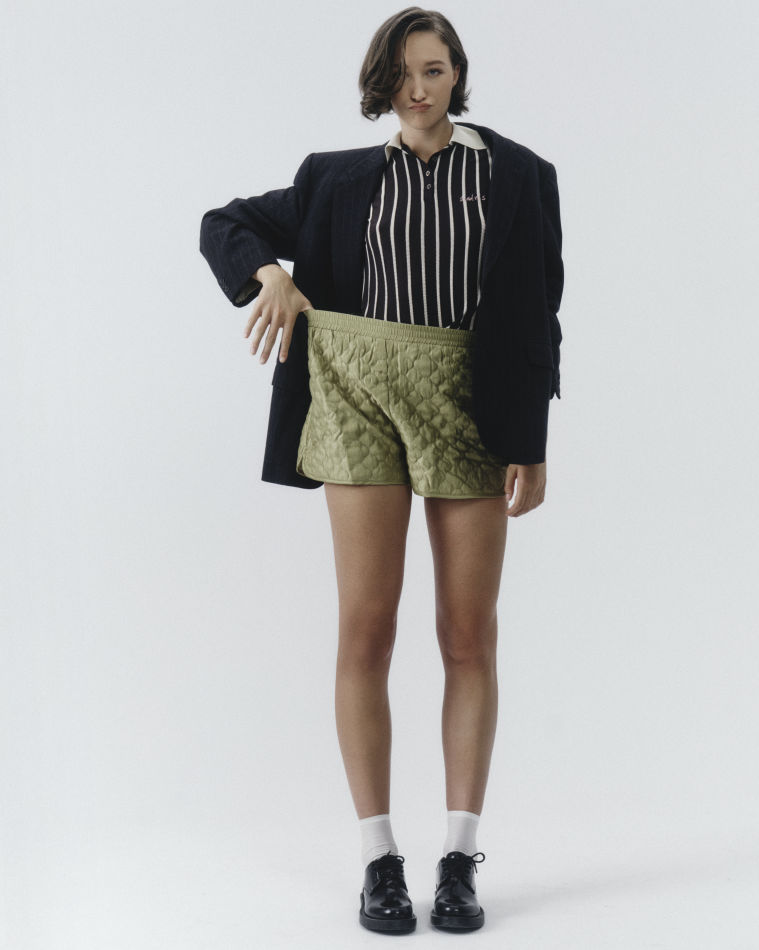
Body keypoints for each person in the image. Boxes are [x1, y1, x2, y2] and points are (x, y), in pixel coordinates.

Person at [199, 5, 564, 935]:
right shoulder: (334, 178)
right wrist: (269, 276)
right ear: (380, 82)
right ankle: (378, 861)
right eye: (402, 73)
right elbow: (223, 222)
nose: (418, 88)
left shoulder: (519, 175)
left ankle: (459, 859)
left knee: (467, 635)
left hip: (469, 404)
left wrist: (532, 441)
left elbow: (538, 312)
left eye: (434, 70)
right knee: (365, 628)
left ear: (457, 75)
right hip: (355, 397)